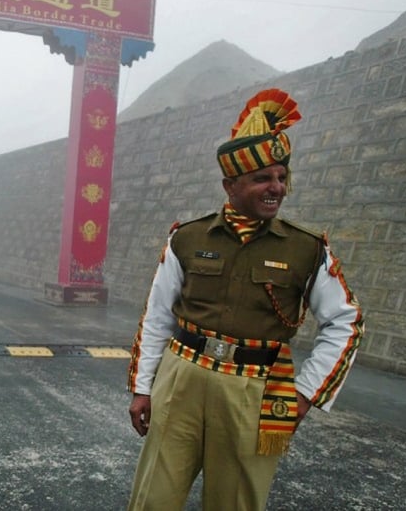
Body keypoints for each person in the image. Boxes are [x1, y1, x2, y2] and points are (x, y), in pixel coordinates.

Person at [125, 88, 365, 510]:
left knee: (235, 504)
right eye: (262, 178)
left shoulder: (306, 249)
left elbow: (346, 322)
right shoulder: (188, 237)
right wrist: (143, 388)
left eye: (281, 177)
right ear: (230, 184)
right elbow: (158, 315)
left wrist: (305, 393)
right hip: (181, 379)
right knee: (153, 500)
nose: (276, 188)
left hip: (254, 392)